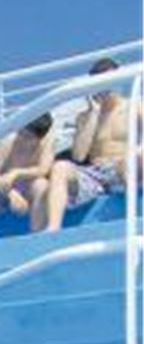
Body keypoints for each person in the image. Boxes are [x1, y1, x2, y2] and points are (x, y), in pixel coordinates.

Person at [45, 57, 137, 232]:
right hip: (93, 175)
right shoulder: (84, 118)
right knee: (60, 168)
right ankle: (53, 230)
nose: (106, 87)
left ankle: (133, 222)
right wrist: (94, 113)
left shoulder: (135, 107)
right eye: (100, 83)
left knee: (130, 162)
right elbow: (79, 155)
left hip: (122, 167)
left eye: (110, 80)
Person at [0, 113, 54, 242]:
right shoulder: (9, 141)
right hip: (3, 193)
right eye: (21, 132)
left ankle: (37, 235)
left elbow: (44, 169)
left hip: (28, 193)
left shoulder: (46, 143)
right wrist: (10, 193)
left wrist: (17, 173)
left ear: (38, 139)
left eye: (27, 137)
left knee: (41, 185)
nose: (21, 138)